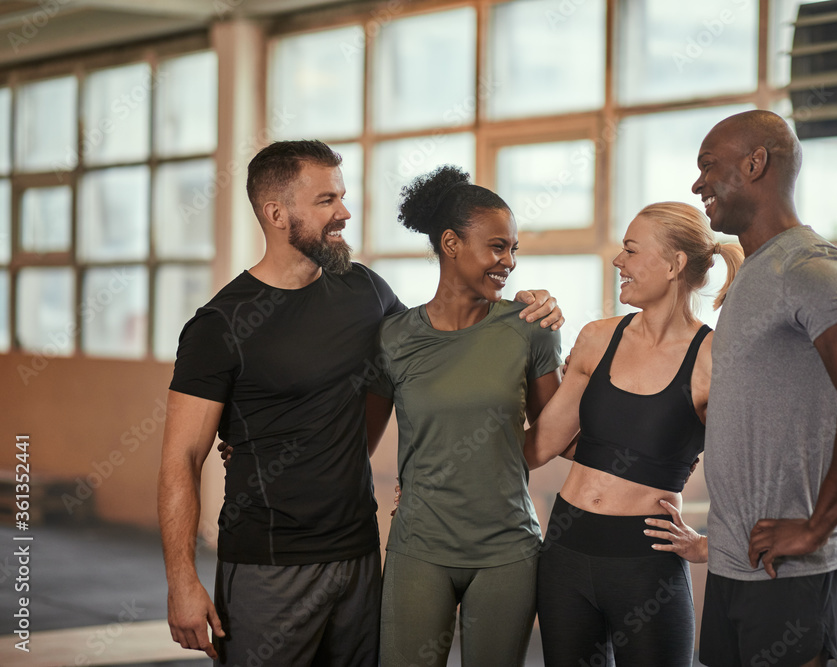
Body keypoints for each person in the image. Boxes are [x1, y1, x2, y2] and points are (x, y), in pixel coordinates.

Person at [157, 140, 562, 666]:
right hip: (269, 563)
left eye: (342, 197)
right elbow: (180, 459)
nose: (344, 213)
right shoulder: (220, 325)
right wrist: (181, 581)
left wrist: (532, 308)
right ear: (277, 213)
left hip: (359, 553)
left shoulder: (365, 292)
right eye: (326, 200)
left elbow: (439, 342)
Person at [686, 109, 837, 667]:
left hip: (799, 576)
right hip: (741, 570)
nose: (697, 183)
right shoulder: (754, 273)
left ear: (756, 164)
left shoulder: (808, 264)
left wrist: (816, 527)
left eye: (709, 166)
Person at [523, 201, 743, 666]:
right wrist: (520, 343)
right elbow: (539, 445)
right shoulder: (597, 338)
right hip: (565, 550)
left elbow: (745, 472)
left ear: (674, 263)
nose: (618, 261)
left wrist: (711, 544)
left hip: (645, 564)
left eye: (630, 250)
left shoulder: (713, 358)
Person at [373, 165, 563, 667]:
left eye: (514, 248)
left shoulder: (531, 329)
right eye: (498, 246)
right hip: (419, 546)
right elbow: (356, 439)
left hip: (508, 550)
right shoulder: (394, 338)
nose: (510, 262)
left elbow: (560, 434)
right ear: (451, 244)